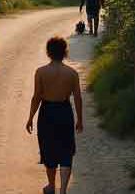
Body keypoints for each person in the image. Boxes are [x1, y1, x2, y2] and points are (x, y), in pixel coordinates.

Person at [26, 36, 83, 194]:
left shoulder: (41, 72)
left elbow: (36, 97)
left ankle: (51, 185)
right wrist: (80, 119)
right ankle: (63, 189)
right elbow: (78, 98)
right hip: (64, 111)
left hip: (47, 112)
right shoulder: (72, 73)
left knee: (49, 149)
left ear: (48, 52)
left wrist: (30, 117)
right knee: (66, 150)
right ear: (65, 52)